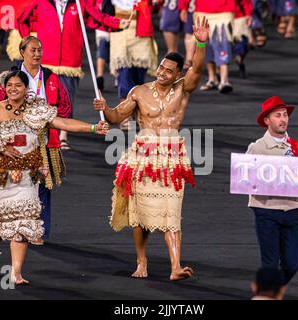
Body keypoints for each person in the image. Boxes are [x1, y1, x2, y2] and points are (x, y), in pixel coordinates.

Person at [94, 16, 209, 281]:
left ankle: (175, 266)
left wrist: (201, 44)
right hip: (142, 154)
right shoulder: (139, 91)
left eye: (169, 70)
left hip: (171, 155)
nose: (162, 73)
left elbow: (198, 70)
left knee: (172, 211)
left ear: (178, 74)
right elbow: (115, 118)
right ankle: (141, 262)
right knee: (140, 213)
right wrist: (105, 109)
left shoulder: (183, 89)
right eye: (161, 67)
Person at [0, 70, 109, 284]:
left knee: (24, 222)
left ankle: (16, 272)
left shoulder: (37, 111)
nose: (13, 89)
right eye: (9, 85)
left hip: (27, 175)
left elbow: (63, 123)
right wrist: (0, 146)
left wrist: (92, 127)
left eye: (18, 85)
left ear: (27, 89)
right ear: (4, 87)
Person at [10, 0, 130, 150]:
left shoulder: (79, 3)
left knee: (67, 99)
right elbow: (23, 19)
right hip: (47, 58)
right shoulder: (41, 2)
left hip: (70, 59)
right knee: (45, 98)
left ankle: (63, 136)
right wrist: (28, 42)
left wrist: (117, 24)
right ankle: (43, 133)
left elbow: (97, 17)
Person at [0, 36, 72, 245]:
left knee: (42, 186)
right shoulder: (10, 77)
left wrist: (49, 119)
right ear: (22, 52)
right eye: (33, 50)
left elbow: (65, 104)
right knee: (15, 185)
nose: (37, 54)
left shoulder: (50, 77)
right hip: (17, 142)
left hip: (44, 142)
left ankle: (38, 230)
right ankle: (14, 228)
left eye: (40, 50)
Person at [246, 96, 298, 284]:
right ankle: (269, 294)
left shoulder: (296, 146)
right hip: (266, 210)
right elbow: (245, 178)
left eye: (285, 115)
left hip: (291, 209)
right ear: (266, 121)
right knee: (270, 265)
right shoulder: (257, 148)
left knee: (291, 266)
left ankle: (270, 291)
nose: (283, 119)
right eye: (277, 115)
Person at [194, 0, 235, 93]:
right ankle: (212, 79)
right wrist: (183, 7)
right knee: (207, 46)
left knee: (222, 43)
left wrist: (248, 12)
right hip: (203, 10)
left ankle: (224, 80)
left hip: (223, 11)